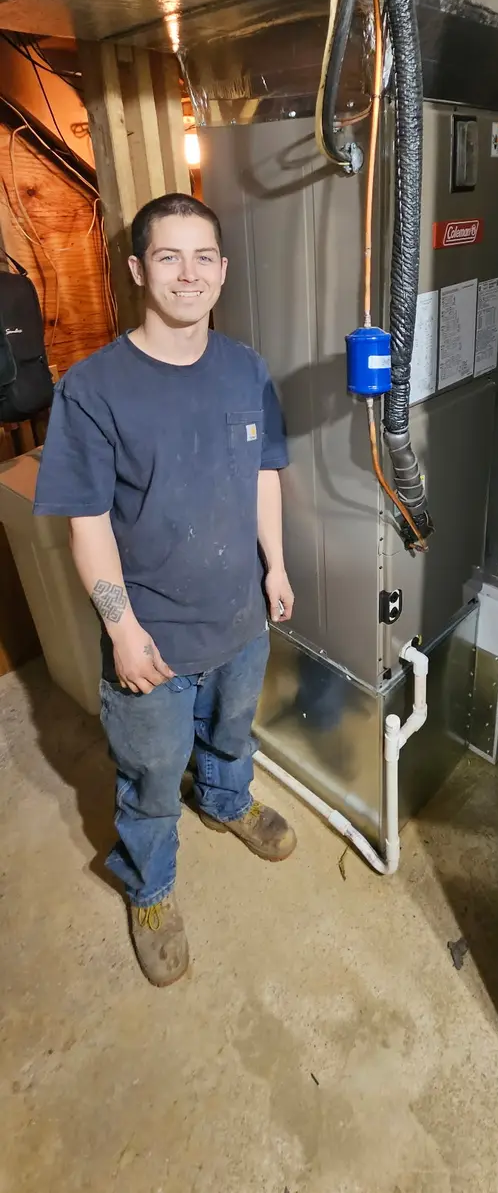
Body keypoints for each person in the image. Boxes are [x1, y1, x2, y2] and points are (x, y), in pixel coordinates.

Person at [34, 193, 296, 987]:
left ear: (223, 270)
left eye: (204, 257)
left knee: (233, 730)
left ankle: (225, 798)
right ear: (140, 269)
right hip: (153, 642)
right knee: (150, 774)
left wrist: (275, 566)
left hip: (241, 618)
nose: (190, 274)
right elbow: (86, 524)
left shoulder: (247, 368)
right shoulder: (93, 389)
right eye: (170, 257)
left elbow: (264, 475)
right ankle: (150, 886)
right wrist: (121, 630)